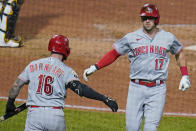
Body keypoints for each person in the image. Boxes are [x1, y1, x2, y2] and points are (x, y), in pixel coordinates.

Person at [83, 3, 191, 131]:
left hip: (158, 89)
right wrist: (95, 67)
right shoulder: (131, 37)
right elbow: (114, 53)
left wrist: (184, 75)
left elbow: (179, 52)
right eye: (144, 18)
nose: (147, 21)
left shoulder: (168, 37)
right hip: (136, 88)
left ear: (156, 19)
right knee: (131, 128)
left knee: (150, 128)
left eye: (150, 18)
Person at [5, 35, 118, 131]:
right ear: (66, 50)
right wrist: (104, 98)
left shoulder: (33, 65)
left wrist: (10, 103)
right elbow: (81, 90)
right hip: (55, 116)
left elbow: (16, 85)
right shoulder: (66, 70)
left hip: (34, 115)